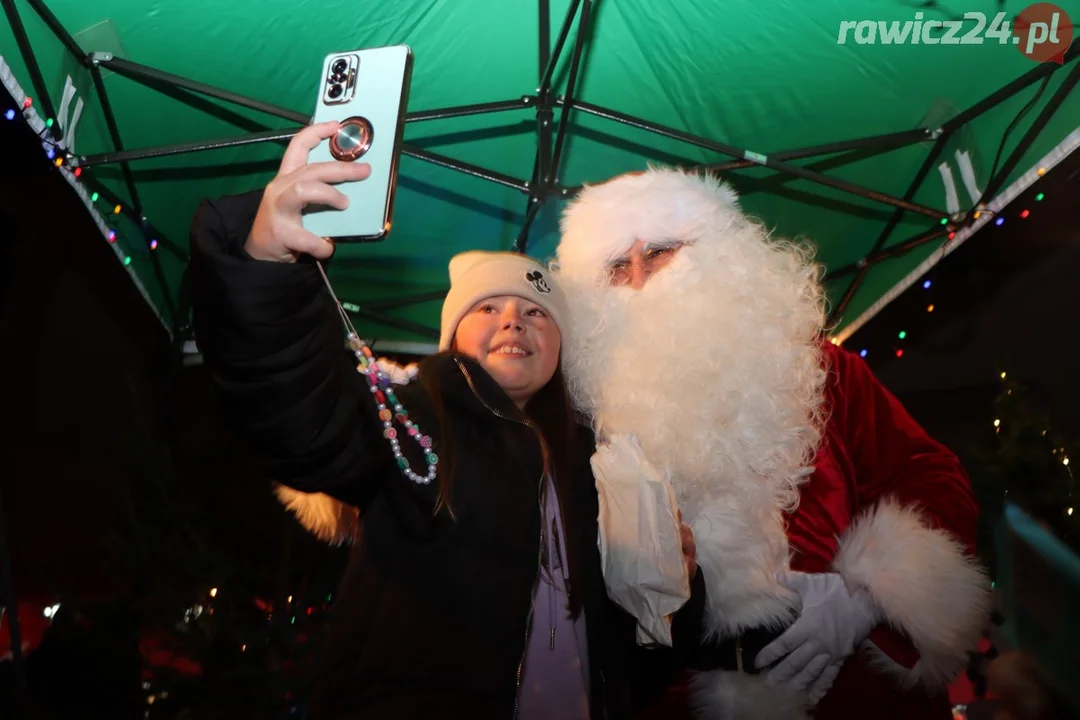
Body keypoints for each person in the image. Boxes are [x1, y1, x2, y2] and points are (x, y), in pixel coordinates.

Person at [187, 123, 707, 720]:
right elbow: (292, 411)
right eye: (488, 307)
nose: (513, 321)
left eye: (537, 312)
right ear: (452, 336)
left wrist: (680, 593)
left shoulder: (601, 468)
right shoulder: (409, 417)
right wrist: (266, 265)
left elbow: (631, 667)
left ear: (561, 348)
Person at [550, 166, 994, 719]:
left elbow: (931, 476)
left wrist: (866, 597)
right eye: (617, 266)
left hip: (853, 688)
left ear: (719, 255)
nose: (639, 279)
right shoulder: (583, 418)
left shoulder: (818, 369)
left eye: (660, 251)